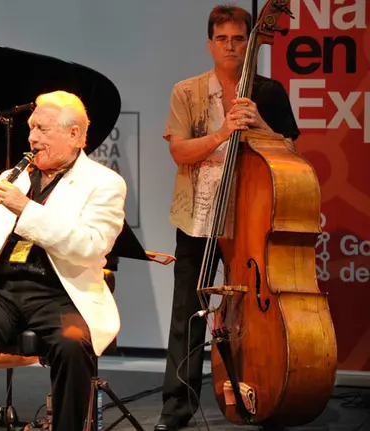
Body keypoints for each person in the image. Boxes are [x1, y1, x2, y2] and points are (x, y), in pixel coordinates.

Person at [0, 90, 127, 431]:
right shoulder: (13, 176)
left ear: (74, 135)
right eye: (32, 128)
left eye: (43, 129)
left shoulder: (104, 183)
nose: (32, 137)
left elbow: (91, 246)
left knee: (73, 345)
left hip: (61, 294)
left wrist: (25, 208)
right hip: (3, 293)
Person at [156, 6, 300, 431]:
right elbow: (179, 152)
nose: (232, 47)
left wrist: (260, 128)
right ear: (210, 45)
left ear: (248, 43)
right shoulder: (186, 92)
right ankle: (176, 406)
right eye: (223, 39)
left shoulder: (269, 93)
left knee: (259, 314)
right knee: (188, 312)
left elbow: (291, 154)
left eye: (239, 39)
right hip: (198, 218)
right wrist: (222, 133)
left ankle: (267, 392)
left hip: (252, 221)